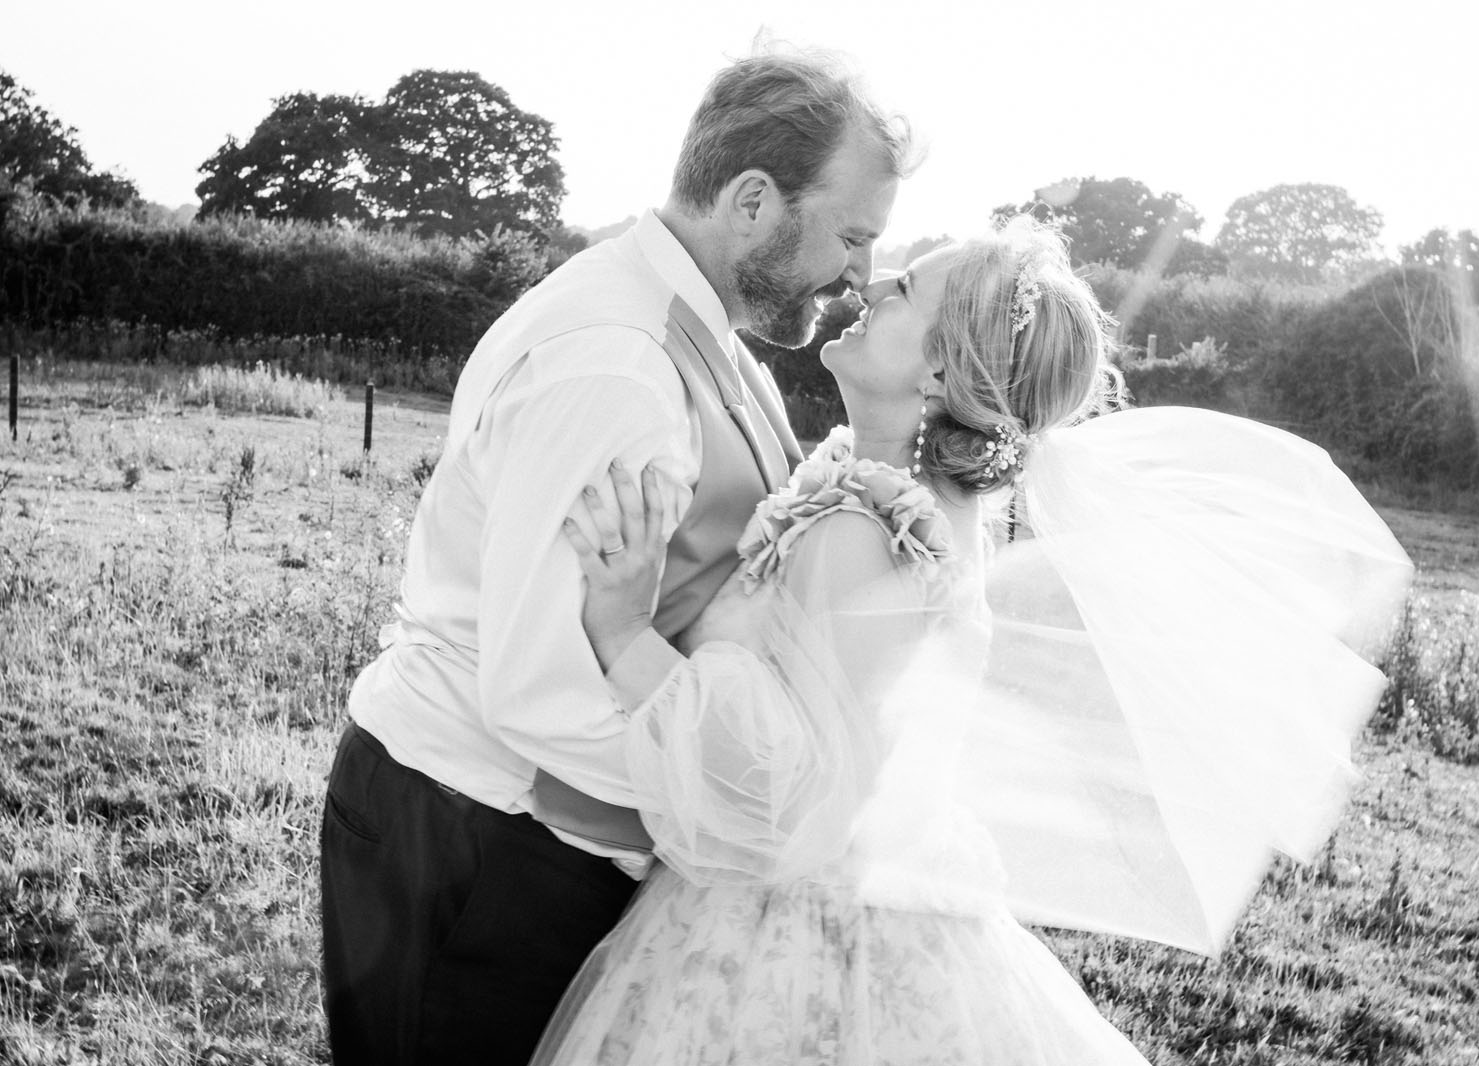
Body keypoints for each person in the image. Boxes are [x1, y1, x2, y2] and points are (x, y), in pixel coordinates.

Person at [537, 218, 1415, 1064]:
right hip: (905, 912)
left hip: (787, 943)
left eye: (905, 290)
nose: (872, 284)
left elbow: (784, 794)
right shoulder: (930, 511)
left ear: (941, 367)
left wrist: (621, 633)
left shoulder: (867, 529)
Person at [317, 50, 916, 1065]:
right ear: (753, 200)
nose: (859, 274)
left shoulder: (706, 334)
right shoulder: (618, 366)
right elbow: (539, 687)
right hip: (476, 840)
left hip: (528, 839)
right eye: (852, 235)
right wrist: (750, 817)